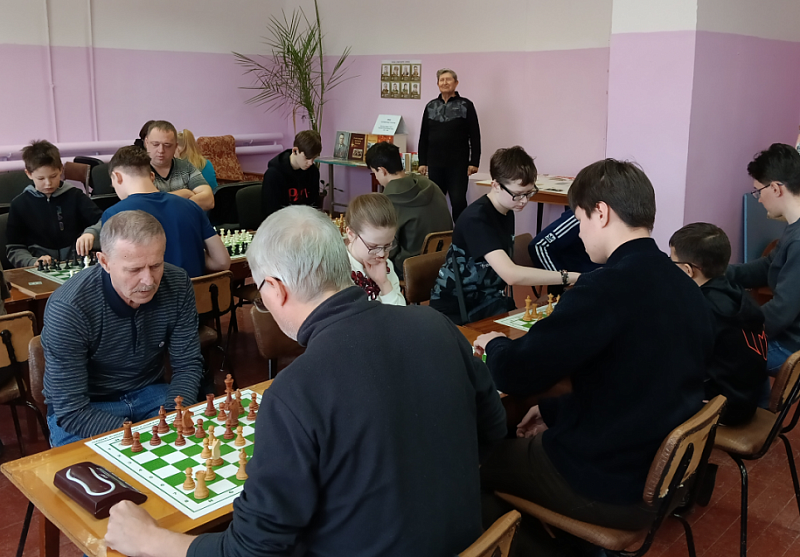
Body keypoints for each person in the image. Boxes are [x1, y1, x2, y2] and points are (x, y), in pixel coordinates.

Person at [104, 205, 507, 557]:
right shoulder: (437, 325)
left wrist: (149, 539)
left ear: (275, 289)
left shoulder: (294, 392)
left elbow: (249, 552)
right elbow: (492, 431)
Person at [474, 159, 713, 555]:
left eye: (578, 218)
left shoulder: (605, 288)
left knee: (471, 464)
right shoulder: (686, 285)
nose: (579, 232)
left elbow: (515, 373)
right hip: (660, 477)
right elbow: (633, 386)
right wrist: (553, 411)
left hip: (606, 482)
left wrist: (496, 343)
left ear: (600, 213)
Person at [42, 210, 204, 447]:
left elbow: (187, 364)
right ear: (104, 262)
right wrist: (136, 436)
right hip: (88, 408)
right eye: (134, 269)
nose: (149, 280)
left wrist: (172, 417)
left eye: (156, 265)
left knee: (189, 453)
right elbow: (71, 410)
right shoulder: (69, 307)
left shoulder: (178, 283)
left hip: (151, 393)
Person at [430, 146, 579, 325]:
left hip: (490, 302)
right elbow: (510, 274)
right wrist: (568, 277)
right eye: (518, 195)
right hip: (458, 312)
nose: (524, 201)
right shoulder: (475, 219)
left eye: (529, 193)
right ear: (496, 185)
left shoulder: (506, 210)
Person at [670, 222, 767, 425]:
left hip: (725, 408)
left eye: (673, 262)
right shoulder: (737, 293)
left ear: (688, 270)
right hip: (747, 396)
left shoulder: (703, 309)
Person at [726, 143, 800, 376]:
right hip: (789, 337)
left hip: (791, 349)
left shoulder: (799, 240)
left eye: (758, 191)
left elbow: (781, 311)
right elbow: (768, 265)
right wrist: (719, 272)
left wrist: (734, 326)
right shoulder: (794, 228)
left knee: (719, 347)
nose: (758, 199)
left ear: (776, 188)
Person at [103, 146, 230, 278]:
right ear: (152, 176)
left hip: (150, 290)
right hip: (195, 290)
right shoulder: (190, 206)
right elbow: (222, 262)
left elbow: (115, 272)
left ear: (117, 176)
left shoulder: (114, 215)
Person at [6, 140, 102, 268]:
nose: (48, 183)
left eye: (53, 176)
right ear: (28, 174)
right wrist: (32, 261)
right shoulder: (19, 204)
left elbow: (104, 221)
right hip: (39, 268)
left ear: (61, 169)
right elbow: (14, 247)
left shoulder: (75, 196)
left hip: (75, 263)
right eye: (41, 178)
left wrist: (91, 233)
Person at [365, 141, 452, 276]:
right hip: (444, 260)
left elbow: (387, 249)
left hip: (411, 267)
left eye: (374, 172)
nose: (376, 177)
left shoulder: (387, 202)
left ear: (382, 170)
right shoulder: (432, 186)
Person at [418, 68, 481, 223]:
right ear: (437, 84)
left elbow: (475, 135)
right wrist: (422, 162)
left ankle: (461, 233)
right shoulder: (430, 106)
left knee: (458, 201)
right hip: (435, 163)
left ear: (456, 83)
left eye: (448, 79)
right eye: (441, 80)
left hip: (458, 164)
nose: (444, 83)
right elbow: (424, 136)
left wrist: (474, 162)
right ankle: (438, 232)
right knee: (436, 201)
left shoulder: (466, 105)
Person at [345, 193, 406, 305]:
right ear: (351, 234)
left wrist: (384, 283)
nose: (381, 254)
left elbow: (401, 312)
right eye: (373, 247)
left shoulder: (385, 265)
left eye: (387, 245)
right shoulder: (337, 269)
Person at [144, 120, 214, 211]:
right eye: (155, 144)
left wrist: (164, 201)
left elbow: (208, 201)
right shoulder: (138, 170)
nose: (161, 150)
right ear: (146, 143)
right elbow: (147, 205)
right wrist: (185, 193)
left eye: (167, 145)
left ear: (175, 146)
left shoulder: (186, 167)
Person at [261, 130, 322, 221]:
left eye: (313, 158)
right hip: (281, 224)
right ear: (295, 151)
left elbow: (314, 206)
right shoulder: (273, 175)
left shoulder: (313, 172)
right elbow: (272, 213)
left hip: (305, 223)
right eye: (307, 158)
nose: (310, 163)